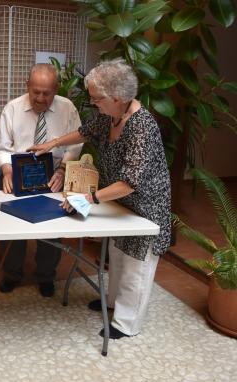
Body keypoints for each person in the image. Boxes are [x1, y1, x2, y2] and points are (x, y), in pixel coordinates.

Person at [31, 58, 171, 339]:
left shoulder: (143, 127)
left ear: (117, 98)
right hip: (119, 202)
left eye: (97, 98)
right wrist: (53, 142)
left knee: (136, 266)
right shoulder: (109, 115)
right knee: (117, 256)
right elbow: (84, 131)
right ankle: (111, 304)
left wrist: (89, 198)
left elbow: (130, 183)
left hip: (145, 205)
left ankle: (125, 324)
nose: (93, 102)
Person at [0, 63, 82, 298]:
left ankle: (46, 275)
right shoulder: (12, 109)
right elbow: (2, 148)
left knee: (52, 227)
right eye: (36, 92)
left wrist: (63, 170)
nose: (41, 98)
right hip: (18, 173)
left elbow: (75, 145)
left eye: (47, 93)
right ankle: (12, 274)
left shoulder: (68, 108)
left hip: (54, 173)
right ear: (27, 86)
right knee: (13, 226)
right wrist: (6, 170)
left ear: (56, 89)